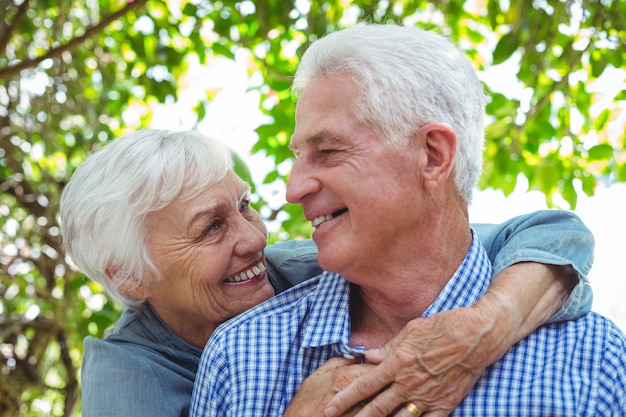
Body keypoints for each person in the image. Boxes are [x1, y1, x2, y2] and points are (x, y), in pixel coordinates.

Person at [189, 24, 626, 417]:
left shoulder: (591, 361)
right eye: (298, 157)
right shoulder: (239, 356)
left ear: (432, 157)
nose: (293, 189)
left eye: (328, 152)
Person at [60, 130, 590, 417]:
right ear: (130, 276)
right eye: (210, 229)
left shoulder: (296, 269)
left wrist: (484, 327)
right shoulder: (124, 376)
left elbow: (553, 234)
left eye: (245, 206)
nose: (253, 239)